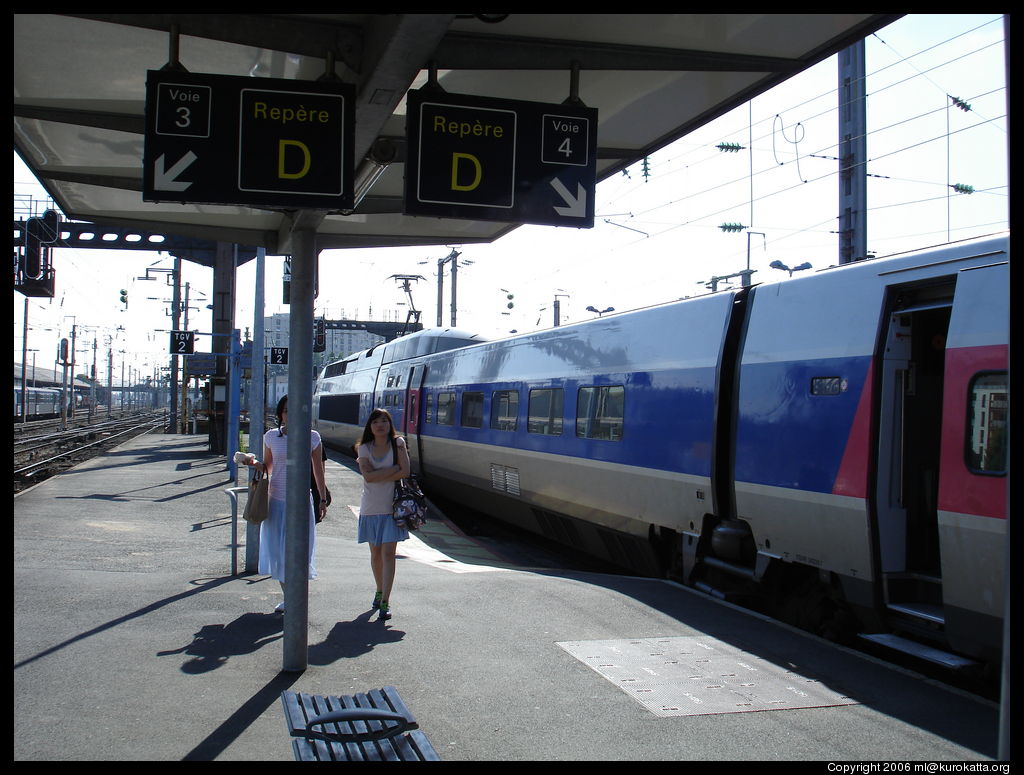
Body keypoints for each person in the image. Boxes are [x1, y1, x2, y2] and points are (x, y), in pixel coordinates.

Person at [243, 395, 327, 612]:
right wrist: (251, 462)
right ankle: (290, 598)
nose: (291, 414)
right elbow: (268, 468)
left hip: (301, 503)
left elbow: (318, 470)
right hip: (276, 501)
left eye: (296, 410)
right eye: (287, 410)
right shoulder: (271, 437)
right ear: (281, 413)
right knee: (278, 553)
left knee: (299, 553)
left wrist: (322, 498)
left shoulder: (312, 437)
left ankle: (297, 599)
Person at [354, 408, 410, 621]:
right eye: (376, 421)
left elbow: (406, 471)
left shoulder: (398, 444)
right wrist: (394, 469)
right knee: (376, 553)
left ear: (390, 424)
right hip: (370, 508)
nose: (380, 425)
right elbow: (368, 478)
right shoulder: (364, 448)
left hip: (392, 509)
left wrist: (381, 473)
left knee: (388, 554)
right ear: (370, 426)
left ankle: (386, 600)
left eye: (384, 421)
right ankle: (379, 589)